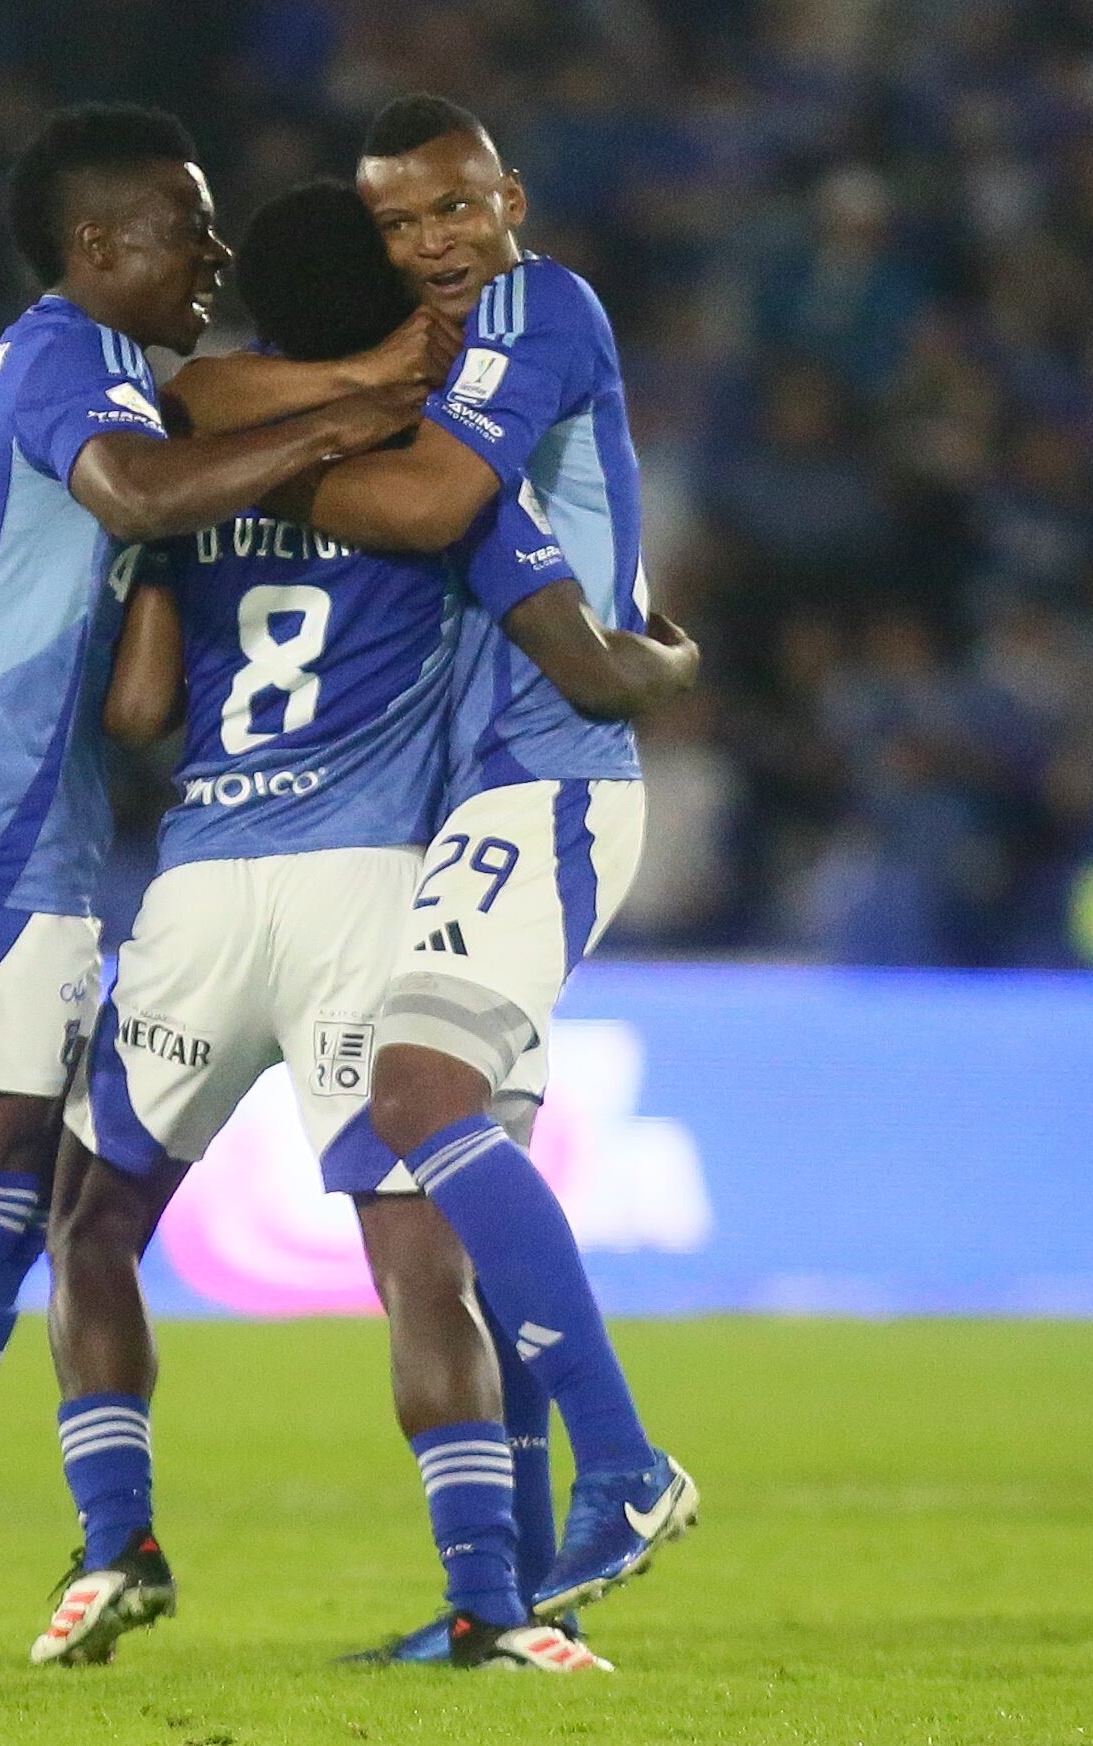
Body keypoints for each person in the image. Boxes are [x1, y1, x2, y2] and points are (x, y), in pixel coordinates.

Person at [0, 103, 430, 1664]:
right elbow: (130, 490)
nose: (218, 252)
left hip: (14, 818)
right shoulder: (67, 359)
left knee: (16, 1202)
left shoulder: (99, 370)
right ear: (101, 246)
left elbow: (133, 661)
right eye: (191, 226)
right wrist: (338, 427)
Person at [30, 177, 695, 1672]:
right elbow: (572, 653)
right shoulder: (433, 464)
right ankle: (489, 1599)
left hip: (203, 885)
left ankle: (112, 1537)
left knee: (90, 1224)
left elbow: (139, 710)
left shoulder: (198, 456)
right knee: (420, 1267)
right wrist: (664, 666)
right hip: (370, 889)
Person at [274, 92, 702, 1633]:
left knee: (418, 1098)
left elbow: (442, 503)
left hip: (555, 780)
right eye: (400, 224)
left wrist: (243, 463)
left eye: (454, 208)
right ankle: (514, 1602)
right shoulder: (434, 363)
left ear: (509, 199)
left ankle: (629, 1465)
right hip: (479, 795)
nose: (433, 244)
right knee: (455, 1189)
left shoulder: (543, 308)